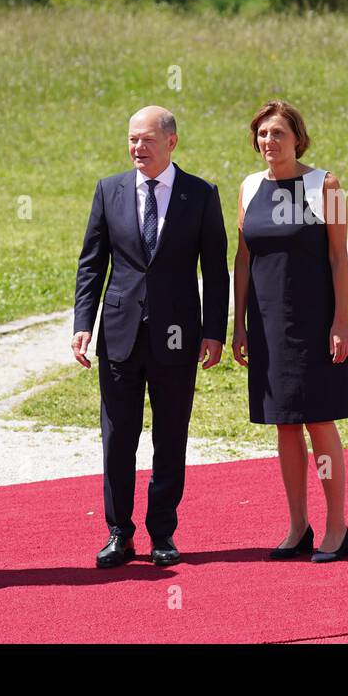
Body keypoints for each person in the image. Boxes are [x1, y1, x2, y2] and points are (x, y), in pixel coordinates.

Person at [72, 106, 229, 568]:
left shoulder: (200, 195)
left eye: (147, 140)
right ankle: (119, 532)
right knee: (117, 435)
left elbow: (215, 270)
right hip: (119, 334)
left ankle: (163, 532)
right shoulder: (109, 190)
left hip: (178, 335)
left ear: (171, 143)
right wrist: (83, 324)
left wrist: (213, 332)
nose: (137, 148)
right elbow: (91, 263)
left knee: (170, 434)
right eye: (132, 140)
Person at [232, 100, 348, 562]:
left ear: (297, 137)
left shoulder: (325, 184)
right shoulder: (247, 187)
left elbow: (339, 257)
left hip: (314, 321)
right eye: (263, 135)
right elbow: (243, 259)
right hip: (266, 325)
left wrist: (340, 321)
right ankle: (297, 525)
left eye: (278, 134)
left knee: (319, 421)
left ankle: (337, 528)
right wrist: (238, 323)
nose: (269, 142)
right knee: (283, 424)